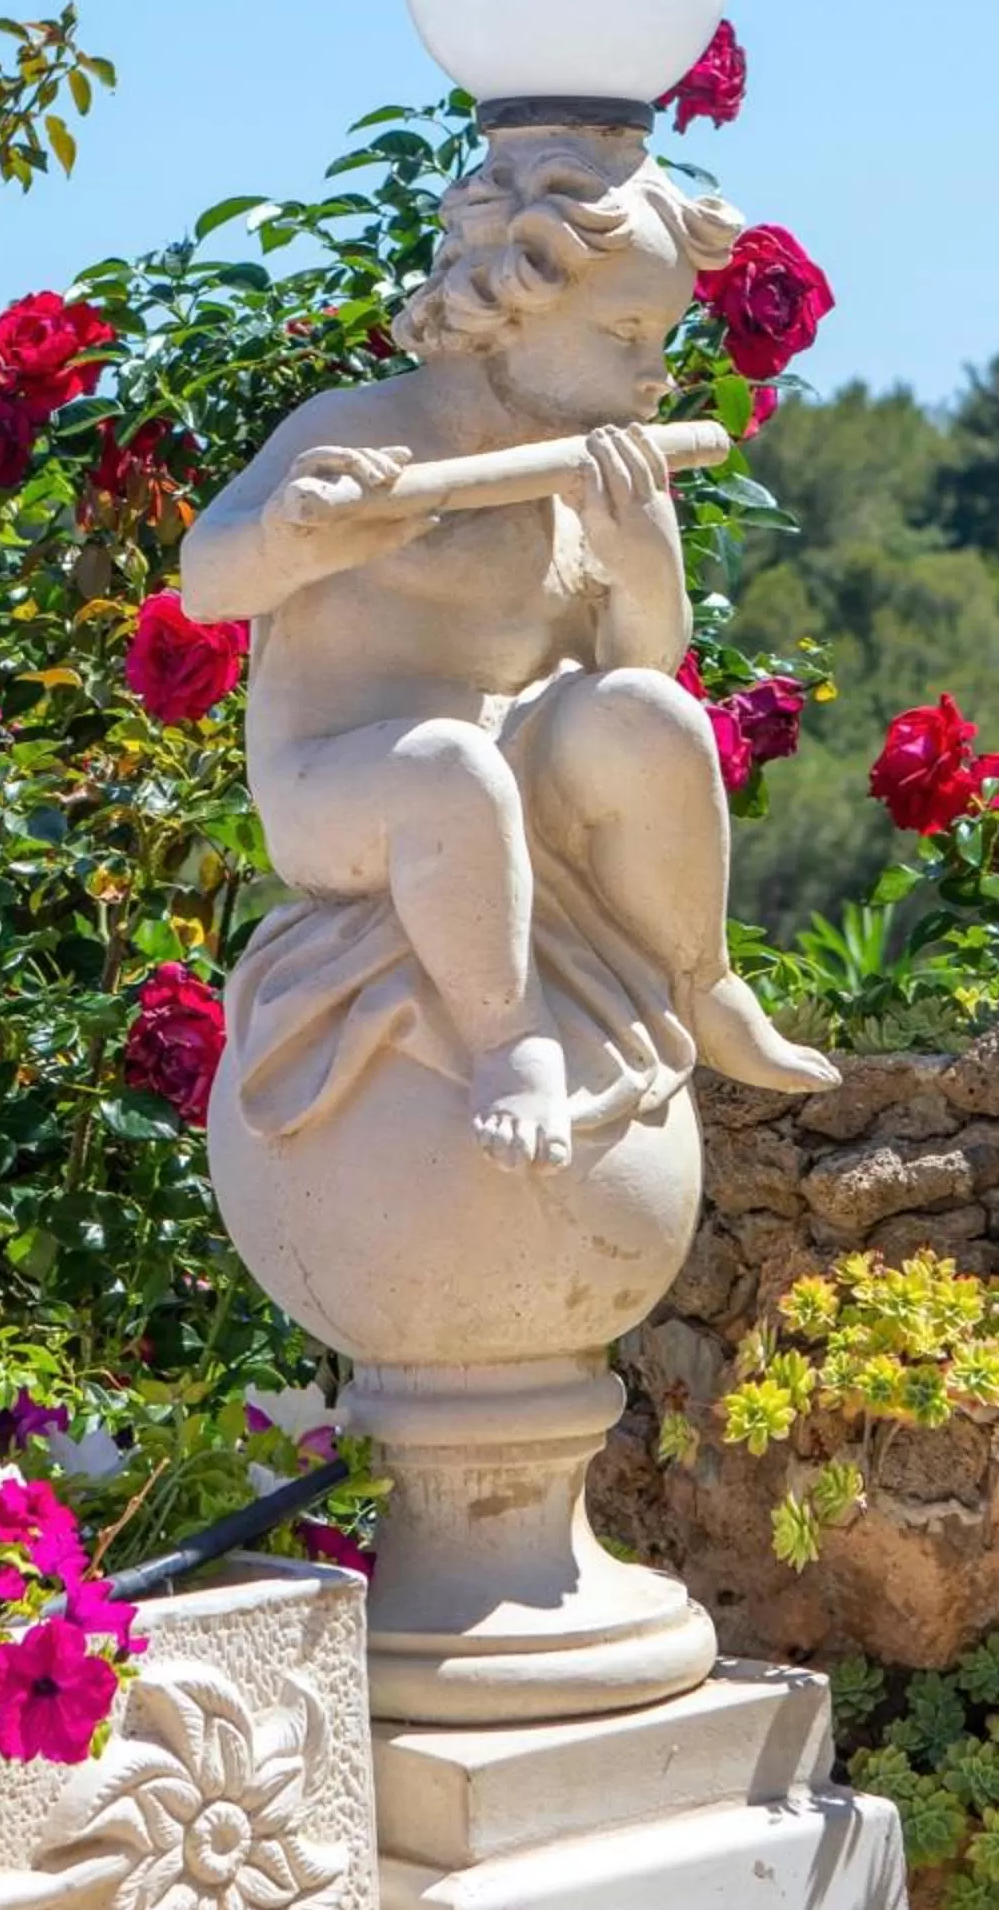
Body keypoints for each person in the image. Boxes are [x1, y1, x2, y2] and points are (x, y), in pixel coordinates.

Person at [179, 120, 834, 1170]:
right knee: (449, 768)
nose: (657, 374)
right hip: (347, 782)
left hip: (519, 753)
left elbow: (641, 668)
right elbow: (207, 582)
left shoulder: (600, 471)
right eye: (626, 332)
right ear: (510, 305)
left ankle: (701, 974)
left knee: (650, 715)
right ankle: (510, 1040)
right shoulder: (362, 426)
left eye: (665, 338)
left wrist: (643, 566)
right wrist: (289, 539)